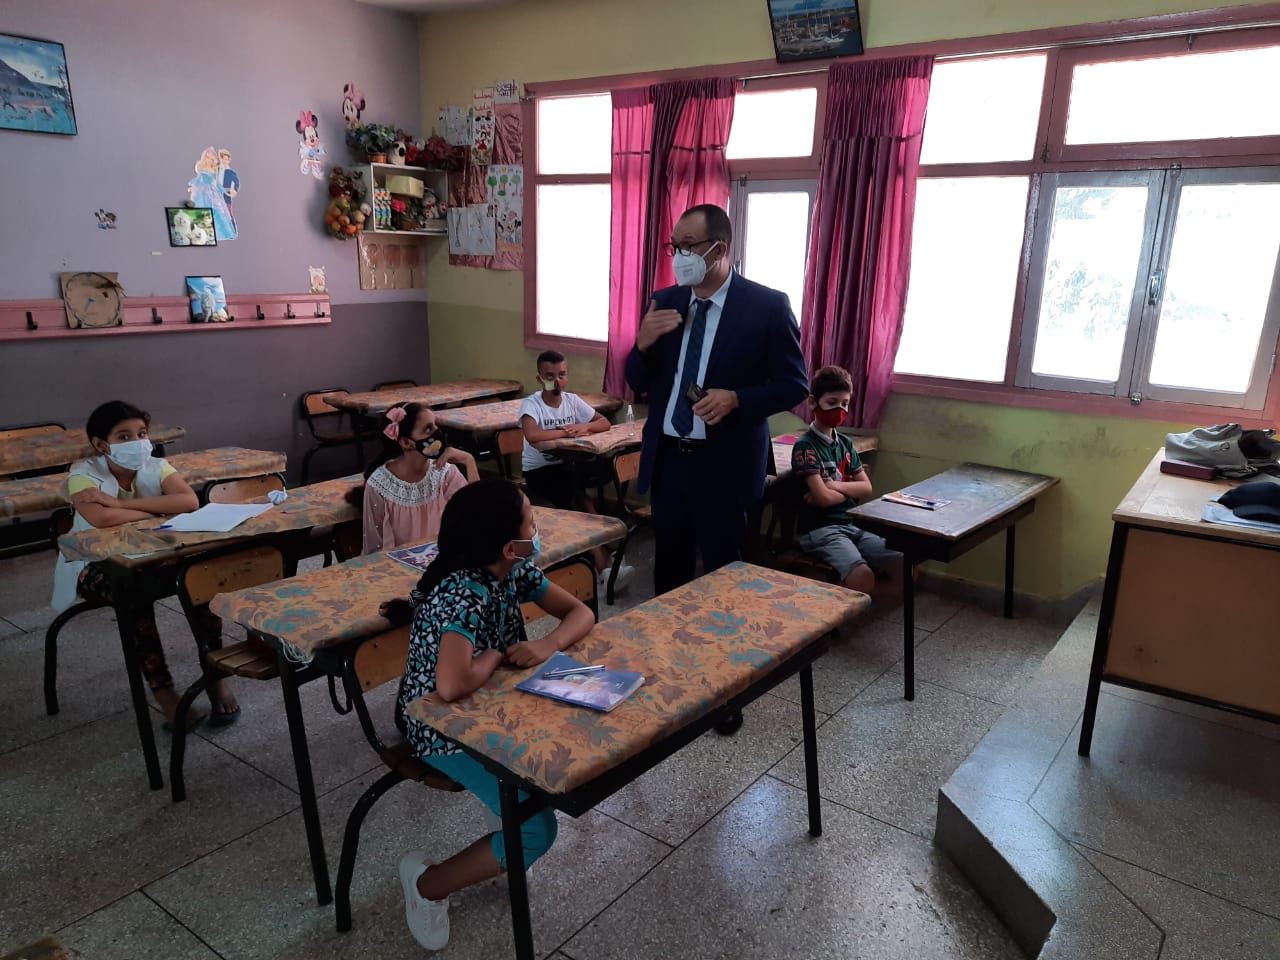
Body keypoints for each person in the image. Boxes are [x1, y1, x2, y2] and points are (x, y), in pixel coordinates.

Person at [386, 479, 594, 951]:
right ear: (507, 545)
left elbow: (580, 614)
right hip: (440, 728)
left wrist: (548, 644)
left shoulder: (515, 570)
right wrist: (497, 655)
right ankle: (427, 885)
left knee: (570, 749)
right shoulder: (463, 592)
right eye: (530, 522)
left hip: (496, 710)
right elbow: (451, 685)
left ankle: (499, 848)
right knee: (536, 830)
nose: (536, 529)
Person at [625, 203, 808, 732]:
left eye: (688, 245)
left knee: (724, 580)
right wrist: (642, 343)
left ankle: (725, 691)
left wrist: (738, 399)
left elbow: (794, 384)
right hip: (670, 461)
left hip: (723, 465)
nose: (678, 255)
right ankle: (667, 679)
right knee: (670, 573)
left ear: (720, 249)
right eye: (674, 245)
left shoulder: (766, 306)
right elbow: (637, 379)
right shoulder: (666, 301)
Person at [51, 400, 238, 727]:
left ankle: (215, 675)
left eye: (141, 434)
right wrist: (160, 509)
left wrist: (122, 504)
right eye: (124, 437)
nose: (137, 442)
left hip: (154, 555)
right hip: (94, 564)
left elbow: (189, 501)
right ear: (101, 445)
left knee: (199, 578)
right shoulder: (82, 475)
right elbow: (101, 518)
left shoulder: (156, 467)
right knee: (133, 593)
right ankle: (163, 692)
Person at [519, 350, 634, 590]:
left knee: (583, 498)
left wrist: (584, 427)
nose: (557, 381)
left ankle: (607, 558)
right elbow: (532, 435)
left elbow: (603, 422)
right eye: (550, 376)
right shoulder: (532, 404)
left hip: (566, 466)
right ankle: (603, 565)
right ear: (539, 379)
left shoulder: (571, 400)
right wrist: (566, 431)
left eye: (561, 375)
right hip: (539, 471)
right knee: (578, 500)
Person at [792, 366, 903, 596]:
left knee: (905, 567)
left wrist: (833, 486)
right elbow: (824, 499)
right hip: (820, 529)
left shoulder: (845, 443)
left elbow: (866, 488)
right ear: (813, 402)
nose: (840, 409)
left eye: (845, 403)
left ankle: (854, 602)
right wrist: (849, 490)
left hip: (852, 523)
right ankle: (836, 605)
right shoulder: (805, 446)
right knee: (862, 577)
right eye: (832, 402)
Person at [345, 401, 478, 554]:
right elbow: (374, 546)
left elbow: (475, 517)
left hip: (441, 560)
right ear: (406, 442)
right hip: (397, 564)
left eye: (435, 425)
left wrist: (468, 460)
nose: (437, 433)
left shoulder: (445, 473)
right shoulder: (379, 484)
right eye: (428, 429)